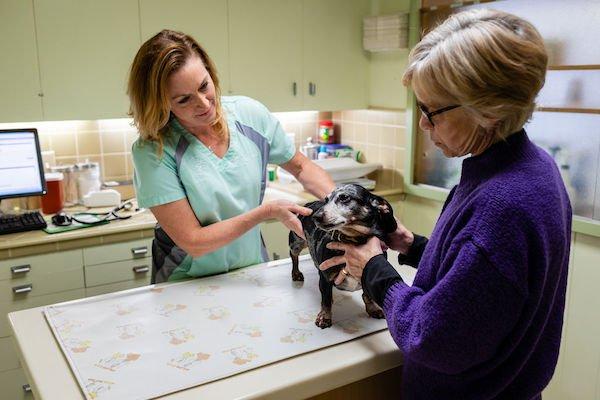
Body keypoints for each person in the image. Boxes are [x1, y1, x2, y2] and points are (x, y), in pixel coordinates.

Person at [320, 8, 571, 400]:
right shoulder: (533, 168)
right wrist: (413, 245)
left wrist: (375, 271)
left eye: (430, 111)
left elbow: (431, 338)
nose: (422, 124)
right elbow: (479, 280)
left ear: (486, 110)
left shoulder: (503, 208)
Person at [128, 30, 335, 283]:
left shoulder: (249, 115)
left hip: (251, 272)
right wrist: (265, 212)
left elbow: (302, 167)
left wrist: (345, 207)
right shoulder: (153, 150)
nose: (204, 104)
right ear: (160, 103)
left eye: (204, 86)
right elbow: (193, 242)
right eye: (184, 100)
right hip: (186, 283)